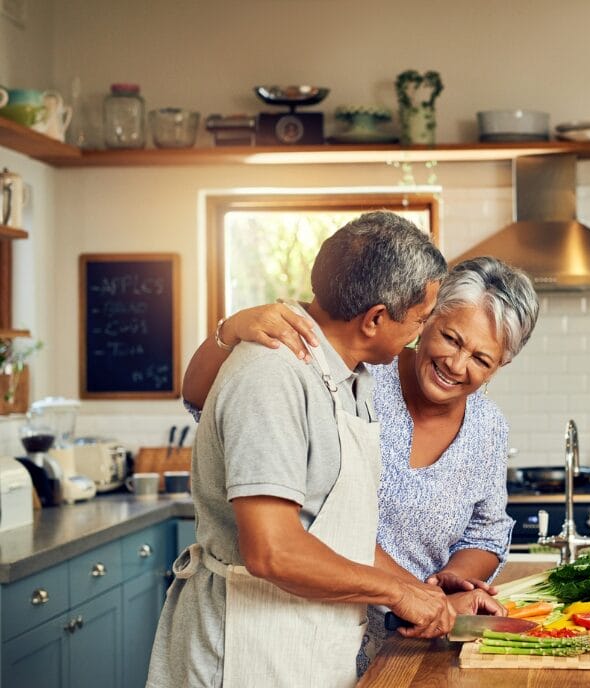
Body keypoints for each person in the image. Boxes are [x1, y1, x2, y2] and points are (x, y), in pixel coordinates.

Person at [146, 212, 496, 688]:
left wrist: (427, 596)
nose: (419, 335)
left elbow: (336, 531)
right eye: (418, 321)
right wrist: (397, 592)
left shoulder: (350, 380)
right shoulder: (272, 375)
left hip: (305, 645)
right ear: (374, 319)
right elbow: (272, 551)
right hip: (245, 651)